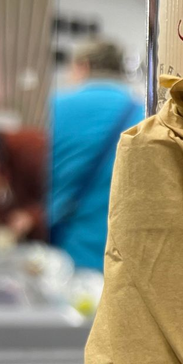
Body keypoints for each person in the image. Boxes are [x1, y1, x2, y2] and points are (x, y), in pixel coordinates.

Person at [48, 40, 143, 271]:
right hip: (126, 263)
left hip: (65, 259)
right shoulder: (146, 116)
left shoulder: (53, 108)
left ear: (83, 66)